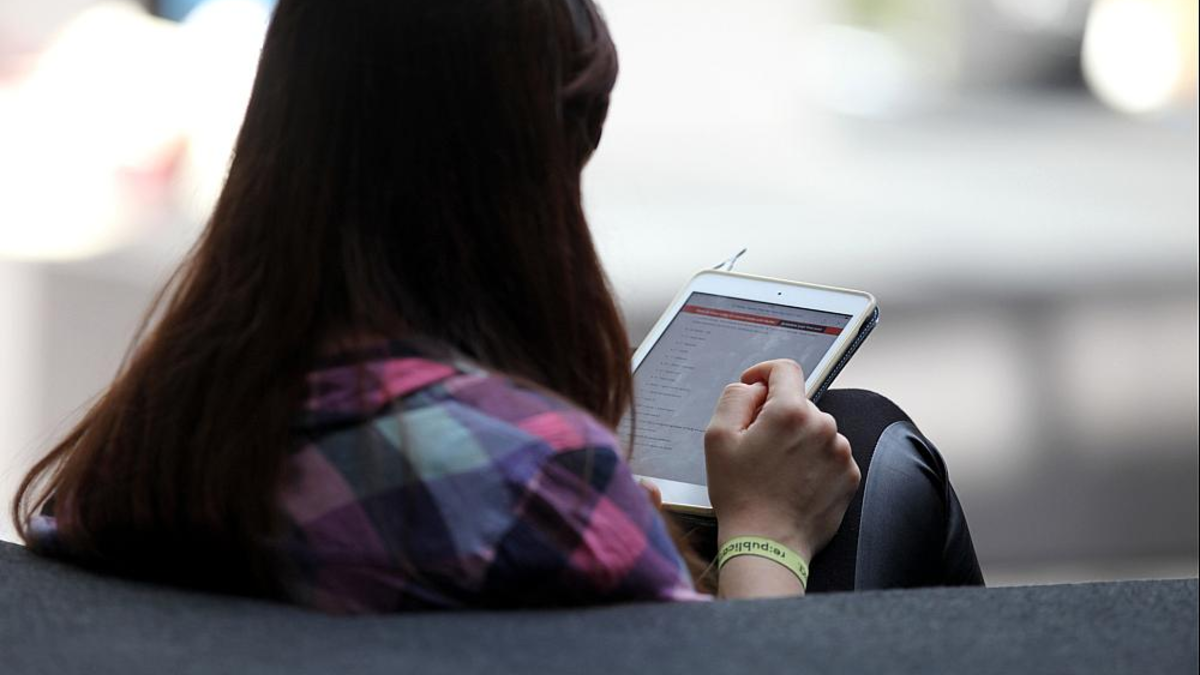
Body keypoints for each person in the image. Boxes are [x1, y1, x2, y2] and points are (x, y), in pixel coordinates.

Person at [11, 0, 982, 612]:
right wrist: (765, 529)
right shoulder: (533, 483)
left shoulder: (149, 438)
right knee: (871, 444)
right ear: (508, 183)